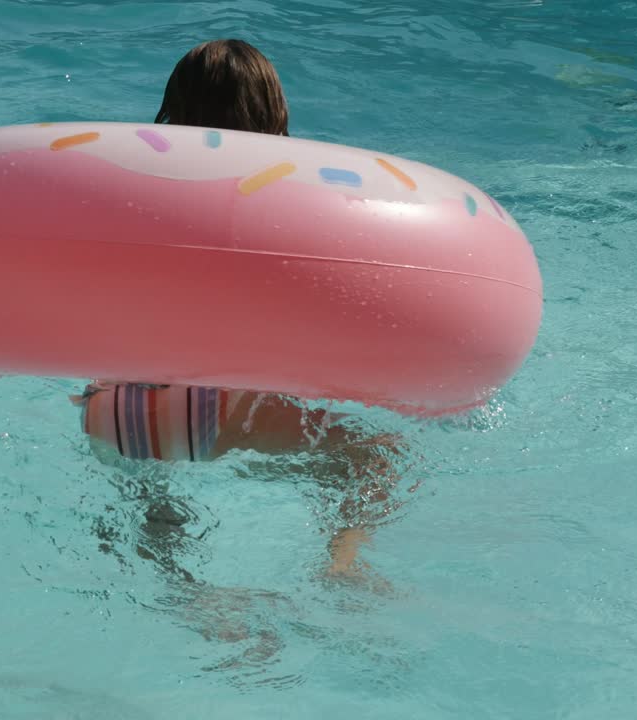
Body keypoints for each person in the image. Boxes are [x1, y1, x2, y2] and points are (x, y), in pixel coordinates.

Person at [71, 39, 403, 580]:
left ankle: (185, 593)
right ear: (274, 114)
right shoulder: (285, 200)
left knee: (153, 511)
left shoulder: (131, 192)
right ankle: (343, 563)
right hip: (212, 410)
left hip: (110, 413)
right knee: (376, 458)